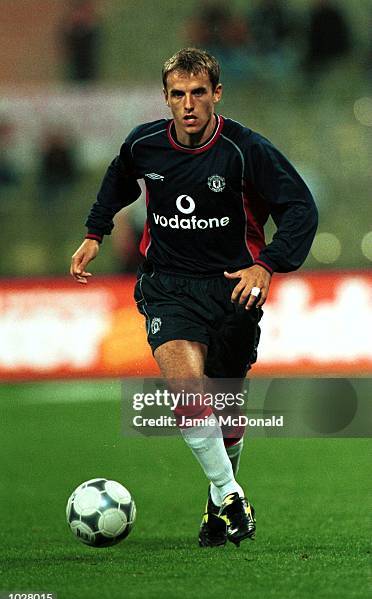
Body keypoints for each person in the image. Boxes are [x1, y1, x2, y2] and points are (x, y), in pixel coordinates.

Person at [70, 48, 318, 547]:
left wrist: (266, 264)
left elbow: (301, 209)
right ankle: (230, 493)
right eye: (178, 94)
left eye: (198, 93)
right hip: (168, 286)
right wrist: (96, 233)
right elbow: (118, 181)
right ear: (166, 98)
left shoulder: (246, 150)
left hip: (232, 291)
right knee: (187, 389)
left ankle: (216, 501)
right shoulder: (144, 145)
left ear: (216, 95)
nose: (188, 104)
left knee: (226, 414)